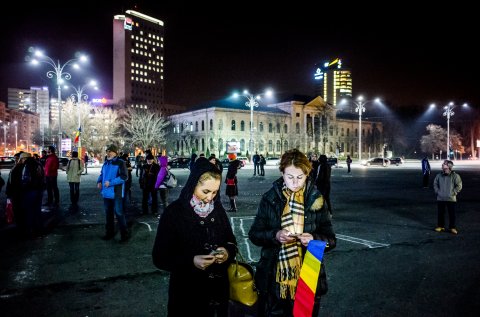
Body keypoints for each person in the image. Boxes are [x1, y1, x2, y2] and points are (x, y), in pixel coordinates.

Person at [248, 149, 336, 317]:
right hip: (274, 277)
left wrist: (314, 239)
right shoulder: (270, 198)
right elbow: (254, 234)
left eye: (300, 177)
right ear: (282, 173)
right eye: (290, 177)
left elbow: (331, 239)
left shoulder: (316, 199)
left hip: (308, 273)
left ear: (307, 174)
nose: (295, 183)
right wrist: (275, 235)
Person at [152, 157, 237, 317]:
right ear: (193, 185)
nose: (210, 197)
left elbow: (231, 241)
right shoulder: (174, 213)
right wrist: (191, 261)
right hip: (187, 297)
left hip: (218, 296)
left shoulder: (218, 210)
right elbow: (159, 257)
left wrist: (226, 252)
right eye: (206, 191)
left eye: (215, 192)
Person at [97, 144, 129, 242]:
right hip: (106, 193)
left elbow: (124, 177)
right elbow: (102, 174)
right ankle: (109, 233)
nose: (108, 153)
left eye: (110, 151)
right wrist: (99, 181)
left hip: (116, 193)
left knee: (119, 213)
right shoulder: (106, 163)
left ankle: (124, 235)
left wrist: (110, 183)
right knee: (108, 214)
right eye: (107, 151)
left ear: (115, 153)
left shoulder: (120, 162)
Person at [433, 160, 462, 235]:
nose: (442, 165)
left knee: (452, 214)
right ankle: (440, 226)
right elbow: (435, 184)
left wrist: (453, 193)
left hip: (451, 199)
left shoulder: (455, 176)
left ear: (449, 166)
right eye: (443, 164)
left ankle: (452, 227)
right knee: (440, 213)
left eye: (444, 164)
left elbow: (459, 186)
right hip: (440, 198)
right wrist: (438, 191)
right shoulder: (439, 175)